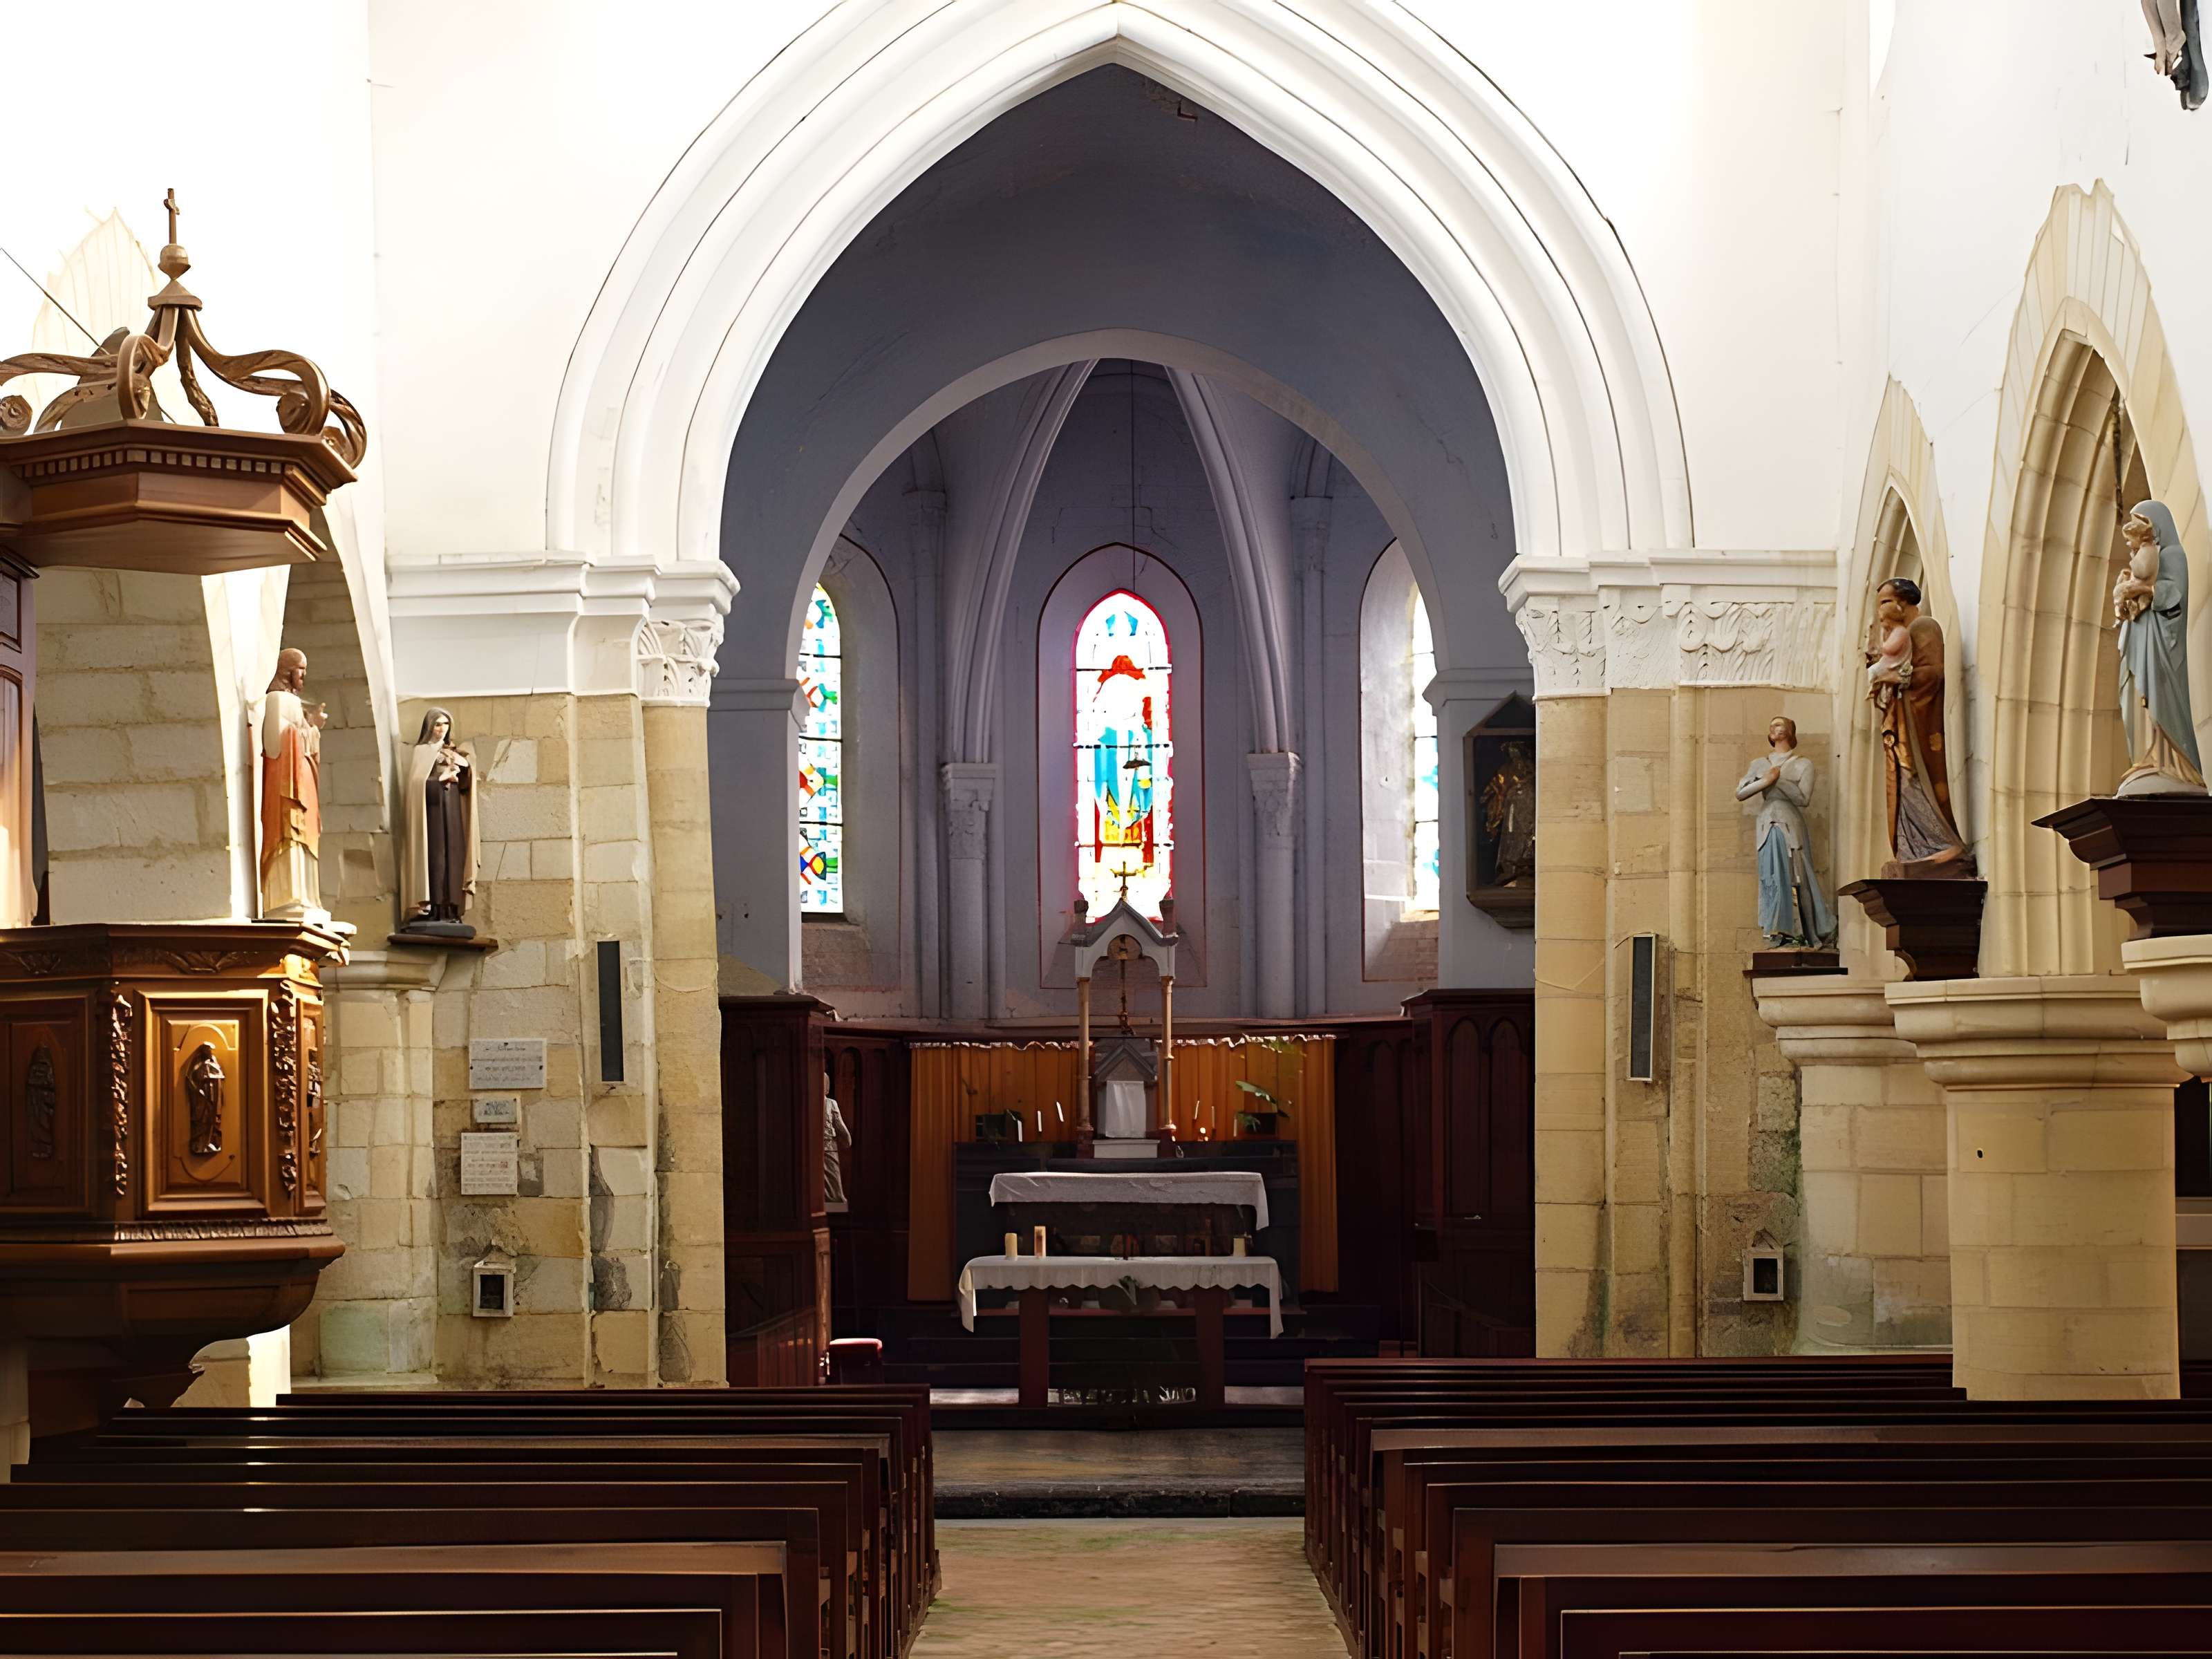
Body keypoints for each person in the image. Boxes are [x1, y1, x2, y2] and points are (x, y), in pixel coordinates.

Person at [1866, 577, 1969, 874]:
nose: (1882, 610)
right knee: (1903, 785)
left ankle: (1938, 842)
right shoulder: (1900, 636)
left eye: (1886, 601)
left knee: (1915, 779)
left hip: (1917, 728)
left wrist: (1898, 678)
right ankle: (1912, 848)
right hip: (1900, 724)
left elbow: (1933, 676)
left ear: (1904, 601)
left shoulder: (1924, 628)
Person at [2114, 500, 2205, 795]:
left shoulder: (2173, 554)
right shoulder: (2141, 559)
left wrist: (2141, 589)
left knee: (2159, 693)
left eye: (2144, 524)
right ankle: (2147, 758)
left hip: (2161, 645)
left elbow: (2175, 595)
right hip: (2139, 638)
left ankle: (2175, 764)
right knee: (2133, 693)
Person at [1736, 715, 1836, 948]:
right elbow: (1740, 793)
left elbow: (1803, 798)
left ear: (1791, 731)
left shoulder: (1803, 764)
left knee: (1797, 875)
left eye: (1780, 724)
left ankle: (1808, 933)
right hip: (1766, 824)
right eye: (1772, 725)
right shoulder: (1759, 764)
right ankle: (1776, 931)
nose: (1775, 727)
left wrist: (1777, 780)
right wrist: (1765, 781)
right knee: (1771, 875)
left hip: (1790, 823)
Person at [401, 708, 480, 932]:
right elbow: (416, 786)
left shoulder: (452, 751)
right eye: (437, 724)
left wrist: (465, 770)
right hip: (433, 813)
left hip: (453, 808)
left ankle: (452, 908)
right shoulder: (421, 751)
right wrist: (440, 780)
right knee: (437, 857)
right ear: (429, 727)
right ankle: (435, 908)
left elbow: (466, 785)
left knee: (454, 855)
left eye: (446, 724)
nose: (442, 728)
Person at [260, 648, 326, 919]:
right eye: (301, 670)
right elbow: (275, 743)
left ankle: (307, 896)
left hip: (304, 774)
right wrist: (308, 730)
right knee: (290, 832)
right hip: (287, 779)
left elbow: (303, 737)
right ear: (287, 670)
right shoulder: (277, 699)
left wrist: (313, 728)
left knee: (306, 834)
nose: (303, 676)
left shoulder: (293, 702)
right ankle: (289, 895)